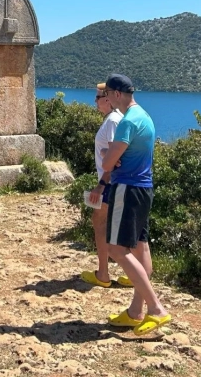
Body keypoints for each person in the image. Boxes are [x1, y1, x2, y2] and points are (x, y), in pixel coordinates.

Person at [92, 74, 171, 336]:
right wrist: (113, 157)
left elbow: (107, 163)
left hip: (126, 189)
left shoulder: (127, 123)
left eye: (107, 95)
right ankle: (136, 311)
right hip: (144, 189)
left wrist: (107, 155)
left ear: (115, 94)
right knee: (140, 247)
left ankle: (155, 308)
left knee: (116, 248)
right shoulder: (145, 117)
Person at [80, 87, 128, 289]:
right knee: (112, 224)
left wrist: (101, 185)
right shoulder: (113, 119)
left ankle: (104, 273)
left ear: (108, 99)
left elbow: (114, 158)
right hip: (113, 182)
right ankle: (120, 272)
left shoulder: (113, 121)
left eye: (98, 98)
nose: (95, 101)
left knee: (102, 222)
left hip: (111, 182)